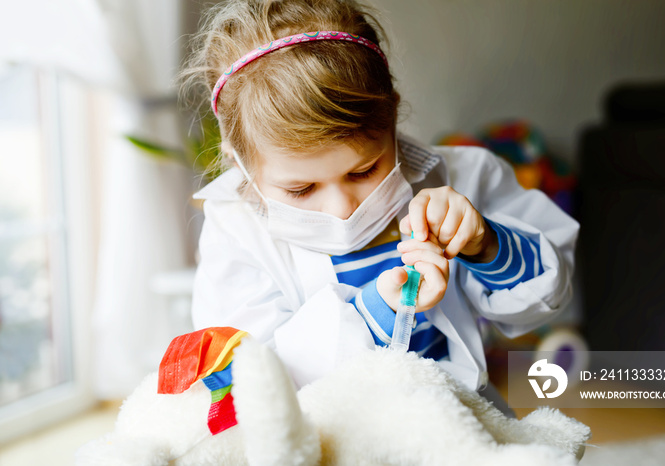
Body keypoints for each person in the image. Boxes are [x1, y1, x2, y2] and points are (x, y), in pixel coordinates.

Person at [182, 0, 579, 409]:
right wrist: (379, 309)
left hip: (461, 420)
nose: (342, 208)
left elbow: (548, 294)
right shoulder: (234, 229)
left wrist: (487, 244)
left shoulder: (464, 175)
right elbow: (253, 379)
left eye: (365, 170)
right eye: (301, 190)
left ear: (391, 117)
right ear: (238, 160)